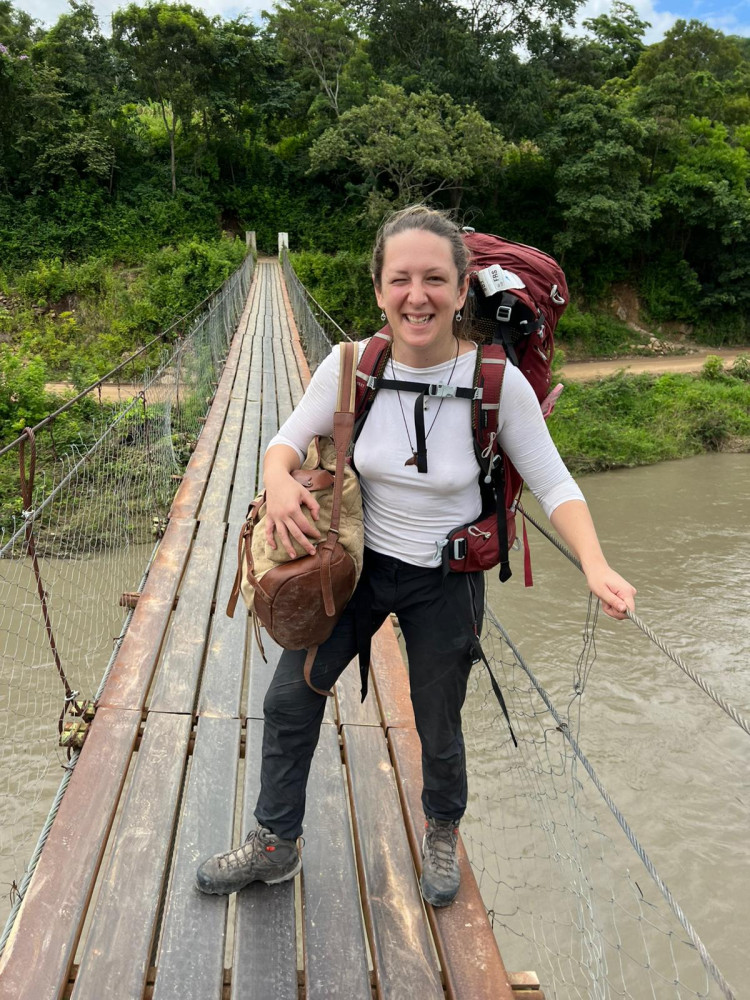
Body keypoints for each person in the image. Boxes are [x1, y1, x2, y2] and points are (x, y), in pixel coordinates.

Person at [196, 205, 636, 907]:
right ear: (379, 290)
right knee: (288, 700)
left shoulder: (497, 383)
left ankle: (441, 828)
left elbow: (555, 483)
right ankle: (276, 843)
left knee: (437, 719)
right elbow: (284, 441)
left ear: (462, 290)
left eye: (434, 279)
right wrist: (277, 479)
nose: (416, 295)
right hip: (357, 568)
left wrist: (595, 563)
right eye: (400, 279)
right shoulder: (352, 366)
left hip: (446, 580)